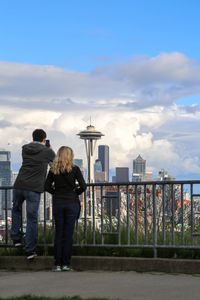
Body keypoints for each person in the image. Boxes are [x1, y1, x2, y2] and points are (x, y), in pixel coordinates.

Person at [11, 129, 55, 259]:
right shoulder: (47, 151)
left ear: (33, 137)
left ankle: (16, 239)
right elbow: (56, 162)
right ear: (44, 139)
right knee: (32, 219)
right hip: (33, 188)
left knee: (16, 210)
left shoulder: (25, 149)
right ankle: (30, 250)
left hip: (19, 185)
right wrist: (50, 148)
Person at [44, 146, 86, 272]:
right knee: (68, 235)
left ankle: (57, 264)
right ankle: (66, 264)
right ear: (70, 156)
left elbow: (46, 186)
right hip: (71, 202)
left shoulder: (53, 170)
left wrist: (55, 192)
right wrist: (75, 193)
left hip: (58, 202)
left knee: (59, 233)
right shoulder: (75, 169)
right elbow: (83, 186)